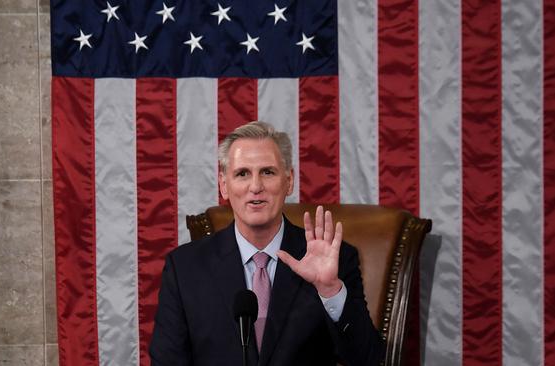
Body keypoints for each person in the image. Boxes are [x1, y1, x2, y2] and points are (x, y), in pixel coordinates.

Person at [150, 121, 385, 365]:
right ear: (224, 185)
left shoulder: (334, 260)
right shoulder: (185, 268)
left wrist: (330, 291)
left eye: (267, 172)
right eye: (242, 174)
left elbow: (368, 359)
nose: (256, 187)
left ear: (289, 180)